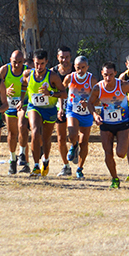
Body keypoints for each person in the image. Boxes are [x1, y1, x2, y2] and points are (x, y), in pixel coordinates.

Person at [84, 62, 129, 188]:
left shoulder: (123, 85)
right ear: (102, 74)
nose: (108, 78)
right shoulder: (98, 88)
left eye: (110, 75)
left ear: (115, 73)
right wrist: (95, 115)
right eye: (105, 75)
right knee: (108, 152)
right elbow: (90, 103)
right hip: (106, 123)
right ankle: (115, 179)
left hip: (122, 123)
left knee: (120, 153)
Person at [18, 49, 66, 178]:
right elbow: (23, 86)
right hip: (34, 107)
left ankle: (45, 160)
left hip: (49, 109)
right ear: (33, 62)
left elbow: (64, 93)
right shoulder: (28, 74)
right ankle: (35, 166)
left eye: (42, 64)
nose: (39, 67)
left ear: (47, 62)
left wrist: (50, 93)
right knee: (34, 132)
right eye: (37, 64)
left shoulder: (53, 76)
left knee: (46, 138)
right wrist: (21, 101)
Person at [64, 56, 97, 179]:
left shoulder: (91, 79)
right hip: (72, 110)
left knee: (84, 142)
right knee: (72, 132)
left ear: (87, 67)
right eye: (78, 67)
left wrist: (88, 102)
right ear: (74, 67)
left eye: (83, 67)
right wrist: (60, 109)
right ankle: (73, 145)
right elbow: (62, 92)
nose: (80, 70)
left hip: (86, 113)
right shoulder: (69, 78)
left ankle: (79, 168)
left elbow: (97, 98)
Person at [0, 50, 30, 174]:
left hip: (24, 102)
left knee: (22, 126)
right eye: (15, 62)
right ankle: (12, 159)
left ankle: (23, 156)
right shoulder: (4, 70)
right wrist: (5, 91)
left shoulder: (27, 71)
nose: (17, 65)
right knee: (12, 133)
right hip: (9, 103)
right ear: (10, 60)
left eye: (20, 62)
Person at [52, 46, 74, 176]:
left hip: (75, 109)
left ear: (70, 58)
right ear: (57, 57)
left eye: (67, 57)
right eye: (62, 57)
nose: (64, 60)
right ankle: (66, 165)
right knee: (60, 138)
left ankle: (74, 147)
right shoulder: (53, 72)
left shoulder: (77, 70)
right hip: (58, 108)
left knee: (74, 135)